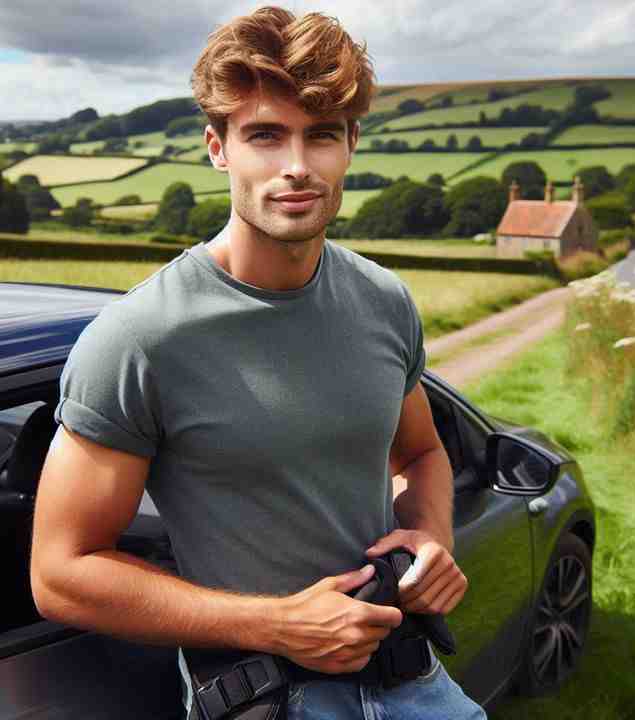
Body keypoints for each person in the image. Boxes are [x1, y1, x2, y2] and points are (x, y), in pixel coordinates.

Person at [30, 6, 487, 719]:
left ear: (352, 143)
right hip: (269, 699)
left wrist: (429, 536)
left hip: (420, 683)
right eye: (265, 136)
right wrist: (273, 624)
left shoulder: (385, 300)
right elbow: (61, 574)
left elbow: (422, 452)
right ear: (219, 148)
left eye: (321, 136)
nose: (297, 167)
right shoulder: (142, 337)